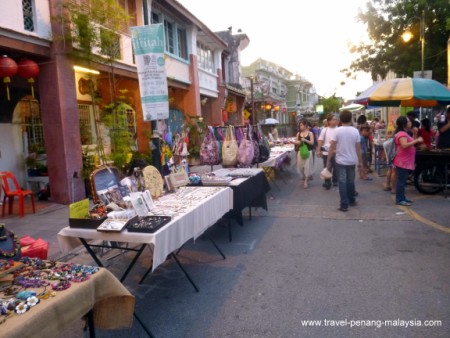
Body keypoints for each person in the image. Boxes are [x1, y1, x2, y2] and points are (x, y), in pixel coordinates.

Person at [327, 110, 362, 212]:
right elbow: (358, 148)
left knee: (342, 182)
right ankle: (352, 200)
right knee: (351, 181)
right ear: (350, 119)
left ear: (340, 120)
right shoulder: (355, 131)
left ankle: (344, 205)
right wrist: (360, 162)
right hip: (352, 161)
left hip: (340, 161)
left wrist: (328, 160)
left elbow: (332, 147)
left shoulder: (337, 131)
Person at [393, 116, 423, 206]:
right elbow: (405, 145)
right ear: (404, 124)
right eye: (409, 121)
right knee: (401, 181)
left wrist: (414, 135)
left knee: (403, 181)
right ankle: (399, 199)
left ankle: (402, 198)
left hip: (405, 161)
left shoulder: (405, 133)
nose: (410, 123)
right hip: (402, 162)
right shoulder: (401, 134)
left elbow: (410, 143)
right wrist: (417, 140)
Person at [317, 114, 338, 189]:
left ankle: (335, 180)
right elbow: (320, 140)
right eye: (333, 119)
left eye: (336, 119)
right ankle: (327, 182)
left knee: (336, 167)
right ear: (329, 121)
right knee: (327, 167)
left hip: (336, 152)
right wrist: (319, 150)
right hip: (326, 152)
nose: (335, 121)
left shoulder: (338, 129)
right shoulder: (324, 130)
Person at [294, 119, 314, 189]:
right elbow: (296, 142)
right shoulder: (298, 133)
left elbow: (312, 143)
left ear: (305, 125)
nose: (300, 126)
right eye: (300, 125)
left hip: (308, 152)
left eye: (301, 125)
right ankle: (305, 176)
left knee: (307, 166)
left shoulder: (310, 133)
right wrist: (300, 142)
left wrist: (305, 140)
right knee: (300, 167)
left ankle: (306, 180)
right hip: (300, 152)